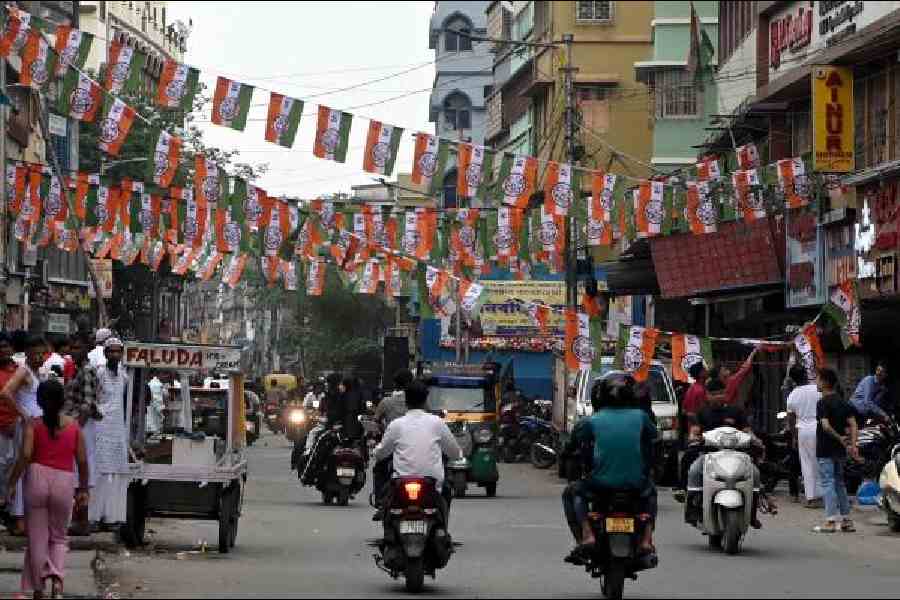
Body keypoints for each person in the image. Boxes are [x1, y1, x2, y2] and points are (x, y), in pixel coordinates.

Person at [7, 379, 89, 598]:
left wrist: (11, 483)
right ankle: (57, 584)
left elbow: (24, 456)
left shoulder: (33, 425)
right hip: (64, 480)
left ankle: (38, 588)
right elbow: (82, 461)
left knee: (37, 538)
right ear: (63, 401)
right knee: (59, 538)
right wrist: (83, 490)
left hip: (36, 478)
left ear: (39, 401)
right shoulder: (74, 427)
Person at [562, 374, 657, 559]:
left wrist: (566, 452)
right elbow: (655, 435)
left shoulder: (591, 421)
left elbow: (573, 442)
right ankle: (646, 539)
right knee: (651, 493)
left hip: (600, 483)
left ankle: (587, 534)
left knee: (572, 493)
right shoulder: (641, 416)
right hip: (635, 483)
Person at [373, 379, 462, 525]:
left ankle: (388, 529)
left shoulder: (397, 425)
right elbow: (454, 452)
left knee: (387, 495)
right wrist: (457, 455)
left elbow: (381, 452)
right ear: (425, 401)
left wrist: (375, 452)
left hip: (401, 483)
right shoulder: (437, 422)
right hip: (432, 484)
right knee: (446, 491)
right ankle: (442, 528)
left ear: (406, 401)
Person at [683, 388, 764, 530]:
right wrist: (693, 439)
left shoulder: (735, 411)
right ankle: (692, 511)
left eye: (720, 393)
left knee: (755, 473)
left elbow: (746, 430)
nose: (717, 397)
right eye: (713, 394)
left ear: (725, 394)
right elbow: (695, 430)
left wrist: (755, 440)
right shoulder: (703, 412)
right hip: (709, 455)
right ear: (707, 396)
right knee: (694, 471)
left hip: (737, 455)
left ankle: (751, 514)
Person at [2, 336, 48, 536]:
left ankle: (27, 517)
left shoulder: (37, 372)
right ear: (28, 352)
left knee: (32, 472)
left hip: (38, 426)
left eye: (42, 353)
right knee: (22, 469)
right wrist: (22, 413)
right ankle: (19, 518)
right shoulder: (23, 370)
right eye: (36, 353)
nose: (39, 357)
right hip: (27, 426)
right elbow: (5, 393)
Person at [61, 333, 100, 536]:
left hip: (81, 427)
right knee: (77, 475)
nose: (73, 351)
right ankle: (78, 519)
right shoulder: (76, 370)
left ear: (86, 349)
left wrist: (74, 430)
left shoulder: (87, 370)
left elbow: (86, 405)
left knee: (81, 474)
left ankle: (82, 521)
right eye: (71, 347)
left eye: (77, 347)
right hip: (76, 425)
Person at [813, 367, 861, 534]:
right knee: (839, 483)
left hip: (825, 448)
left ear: (825, 382)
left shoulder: (822, 403)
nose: (816, 382)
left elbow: (825, 425)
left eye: (818, 379)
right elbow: (854, 424)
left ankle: (830, 521)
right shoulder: (843, 402)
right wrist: (853, 445)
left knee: (827, 482)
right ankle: (847, 521)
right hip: (840, 451)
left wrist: (839, 438)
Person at [89, 338, 130, 528]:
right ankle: (93, 517)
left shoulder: (124, 375)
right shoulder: (99, 374)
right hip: (101, 428)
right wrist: (96, 412)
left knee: (117, 473)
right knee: (99, 473)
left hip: (117, 430)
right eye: (111, 351)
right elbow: (90, 399)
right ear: (105, 354)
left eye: (118, 352)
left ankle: (111, 518)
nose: (115, 355)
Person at [786, 365, 823, 508]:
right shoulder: (816, 389)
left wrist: (794, 436)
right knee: (820, 461)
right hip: (819, 427)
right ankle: (822, 496)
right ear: (806, 374)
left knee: (807, 464)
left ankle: (811, 499)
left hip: (803, 430)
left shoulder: (793, 395)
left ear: (792, 379)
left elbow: (791, 419)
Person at [0, 334, 21, 522]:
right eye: (1, 347)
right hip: (1, 428)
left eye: (7, 346)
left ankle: (9, 506)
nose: (4, 350)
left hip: (16, 427)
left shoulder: (18, 370)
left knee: (13, 466)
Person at [146, 372, 165, 436]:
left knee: (150, 419)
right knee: (155, 421)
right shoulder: (158, 385)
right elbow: (158, 399)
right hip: (154, 405)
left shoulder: (151, 383)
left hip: (151, 405)